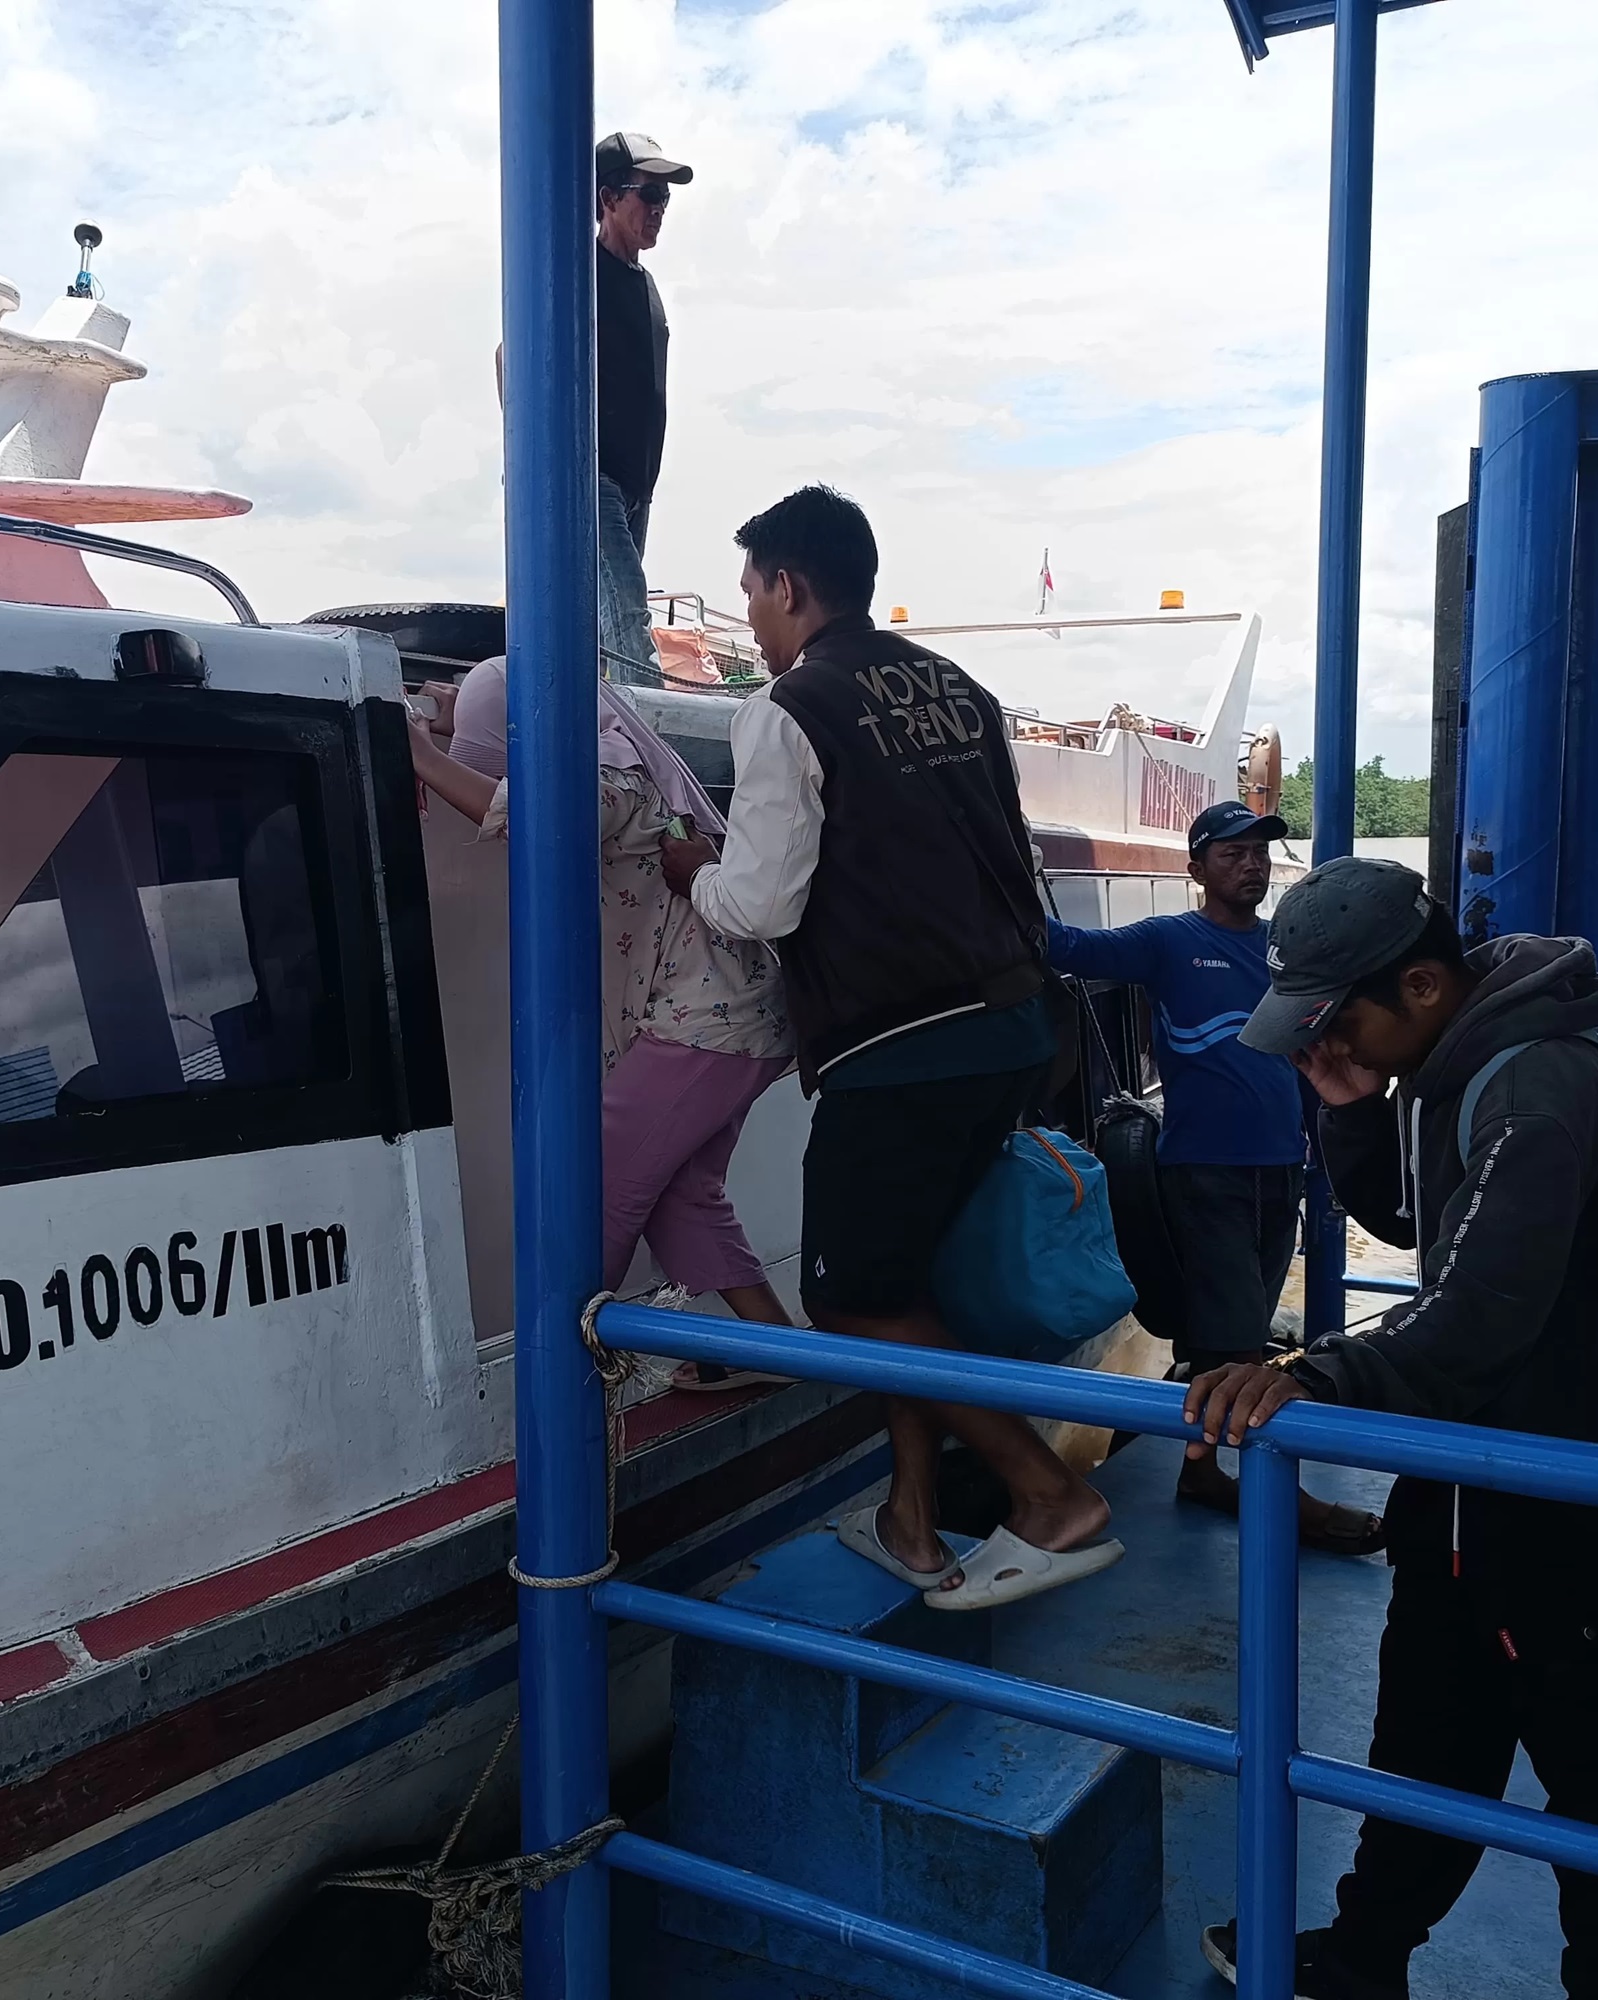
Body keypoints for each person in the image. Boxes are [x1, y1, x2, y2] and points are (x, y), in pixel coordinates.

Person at [1188, 857, 1598, 2000]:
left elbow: (1479, 1310)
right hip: (1466, 1479)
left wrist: (1311, 1371)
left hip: (1569, 1495)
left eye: (1338, 1022)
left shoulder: (1537, 1087)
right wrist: (1350, 1108)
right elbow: (1421, 1218)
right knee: (1424, 1737)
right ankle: (1364, 1953)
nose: (1326, 1041)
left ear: (1421, 982)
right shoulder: (1445, 1064)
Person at [659, 484, 1116, 1612]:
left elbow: (760, 903)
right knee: (902, 1283)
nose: (752, 621)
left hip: (900, 1044)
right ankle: (910, 1521)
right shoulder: (962, 689)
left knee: (851, 1298)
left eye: (753, 594)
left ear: (788, 585)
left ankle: (1046, 1494)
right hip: (1011, 1024)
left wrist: (689, 873)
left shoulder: (789, 707)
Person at [405, 660, 799, 1353]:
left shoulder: (608, 784)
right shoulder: (617, 760)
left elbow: (530, 817)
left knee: (592, 1184)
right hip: (735, 1016)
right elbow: (506, 737)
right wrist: (453, 712)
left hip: (707, 1023)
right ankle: (783, 1355)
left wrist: (421, 756)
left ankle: (566, 1369)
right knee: (682, 1200)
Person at [1043, 802, 1384, 1557]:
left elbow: (1310, 1069)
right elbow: (1064, 946)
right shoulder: (1170, 941)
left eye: (1261, 852)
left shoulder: (1283, 954)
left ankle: (1201, 1474)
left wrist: (1322, 1175)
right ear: (1196, 869)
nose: (1252, 864)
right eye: (1232, 854)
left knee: (1235, 1339)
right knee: (1241, 1351)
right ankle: (1280, 1498)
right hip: (1205, 1172)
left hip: (1279, 1172)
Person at [593, 130, 688, 688]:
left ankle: (611, 757)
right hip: (594, 478)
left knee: (606, 634)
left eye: (665, 199)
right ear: (608, 198)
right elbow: (512, 355)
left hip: (637, 488)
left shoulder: (645, 283)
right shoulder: (578, 270)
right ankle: (662, 763)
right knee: (631, 626)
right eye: (648, 196)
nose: (659, 210)